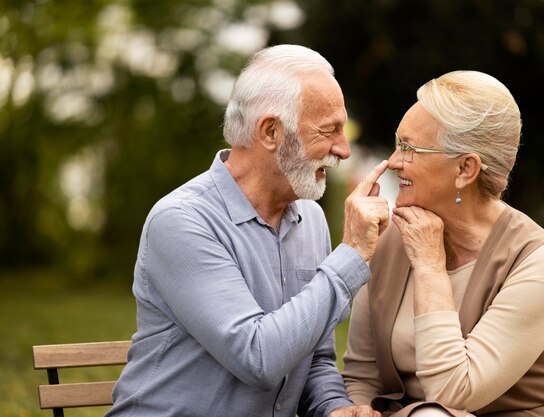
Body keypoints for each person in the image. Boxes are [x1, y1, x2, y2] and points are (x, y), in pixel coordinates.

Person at [105, 44, 389, 417]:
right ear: (271, 131)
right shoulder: (182, 220)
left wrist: (333, 407)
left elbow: (314, 357)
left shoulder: (311, 219)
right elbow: (259, 357)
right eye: (329, 130)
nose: (343, 149)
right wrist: (350, 256)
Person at [342, 70, 544, 416]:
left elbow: (453, 394)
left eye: (409, 148)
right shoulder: (390, 242)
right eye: (397, 143)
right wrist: (357, 408)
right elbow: (361, 374)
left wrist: (430, 266)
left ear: (465, 169)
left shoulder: (538, 263)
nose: (394, 162)